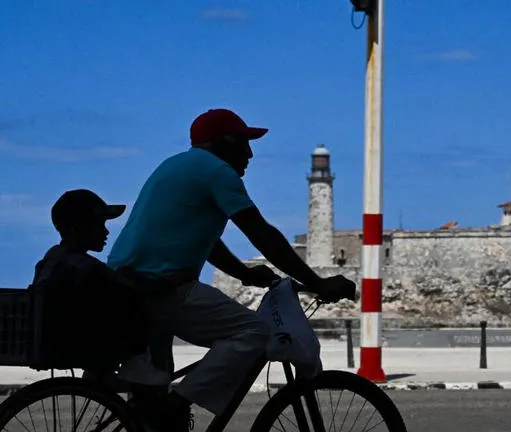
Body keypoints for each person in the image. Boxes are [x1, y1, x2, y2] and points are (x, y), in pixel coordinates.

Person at [107, 108, 356, 431]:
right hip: (160, 288)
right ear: (225, 141)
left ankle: (163, 410)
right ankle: (177, 404)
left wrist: (245, 274)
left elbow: (204, 240)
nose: (250, 154)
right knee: (254, 332)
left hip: (129, 286)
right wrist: (316, 282)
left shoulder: (176, 166)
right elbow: (261, 233)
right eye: (245, 143)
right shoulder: (217, 172)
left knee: (152, 400)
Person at [31, 189, 146, 372]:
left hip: (59, 338)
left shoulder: (52, 259)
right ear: (77, 230)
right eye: (100, 224)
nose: (106, 231)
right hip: (82, 343)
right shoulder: (84, 267)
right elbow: (126, 290)